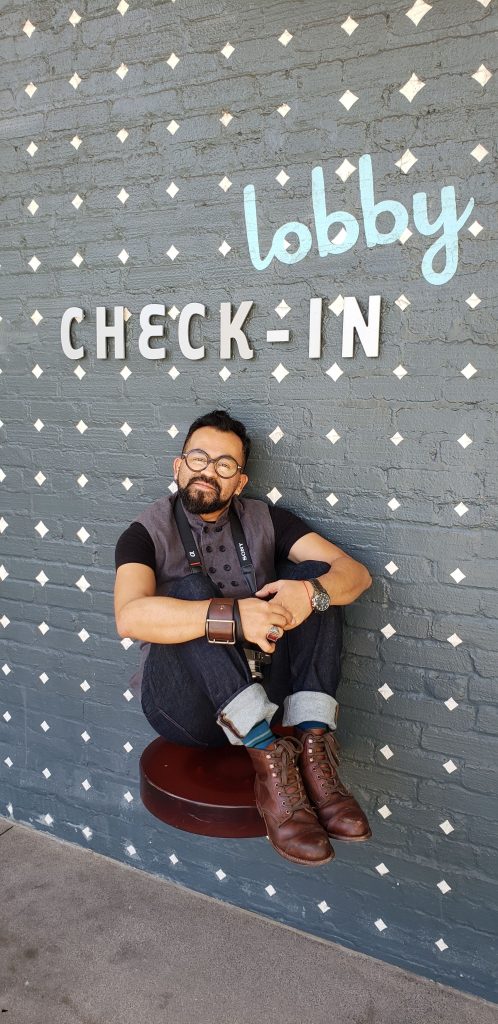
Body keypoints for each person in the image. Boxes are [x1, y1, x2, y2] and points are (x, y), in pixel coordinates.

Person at [114, 409, 373, 867]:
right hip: (184, 708)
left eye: (224, 464)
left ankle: (314, 755)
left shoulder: (267, 520)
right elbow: (130, 617)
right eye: (197, 457)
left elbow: (356, 575)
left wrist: (308, 593)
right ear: (178, 467)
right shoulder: (144, 533)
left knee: (315, 581)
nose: (207, 471)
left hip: (268, 688)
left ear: (239, 480)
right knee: (188, 592)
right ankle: (269, 759)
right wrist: (235, 617)